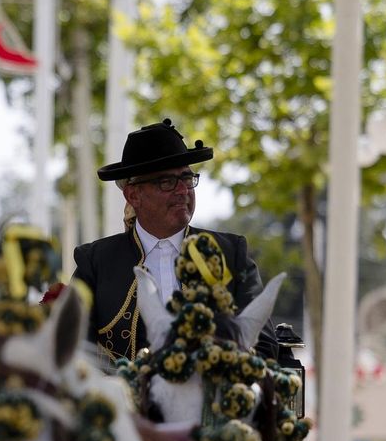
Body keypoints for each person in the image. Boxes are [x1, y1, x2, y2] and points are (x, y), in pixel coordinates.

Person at [71, 118, 278, 362]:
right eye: (167, 182)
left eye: (187, 179)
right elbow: (72, 350)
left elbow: (263, 345)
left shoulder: (230, 252)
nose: (183, 191)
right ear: (133, 194)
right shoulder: (96, 261)